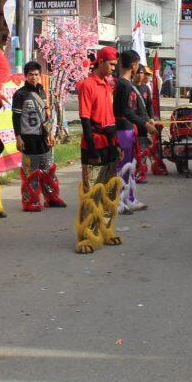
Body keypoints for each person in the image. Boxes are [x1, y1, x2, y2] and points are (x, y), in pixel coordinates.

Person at [75, 46, 122, 253]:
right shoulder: (87, 85)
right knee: (92, 193)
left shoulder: (107, 85)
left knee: (110, 192)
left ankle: (106, 231)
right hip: (93, 146)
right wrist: (92, 150)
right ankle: (86, 237)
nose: (113, 68)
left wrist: (117, 145)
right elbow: (85, 120)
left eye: (115, 65)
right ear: (101, 62)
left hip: (110, 144)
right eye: (111, 64)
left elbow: (110, 119)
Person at [13, 61, 64, 212]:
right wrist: (18, 137)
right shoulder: (20, 94)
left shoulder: (42, 91)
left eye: (36, 74)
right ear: (25, 76)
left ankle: (51, 197)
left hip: (43, 136)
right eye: (30, 75)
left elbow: (46, 116)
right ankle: (31, 201)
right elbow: (16, 118)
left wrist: (51, 134)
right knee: (31, 171)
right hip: (28, 137)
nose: (34, 77)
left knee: (48, 168)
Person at [114, 50, 155, 214]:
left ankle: (129, 199)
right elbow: (125, 111)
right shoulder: (124, 84)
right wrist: (145, 124)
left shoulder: (125, 83)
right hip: (123, 129)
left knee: (130, 166)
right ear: (133, 64)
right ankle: (119, 201)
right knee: (122, 167)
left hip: (128, 129)